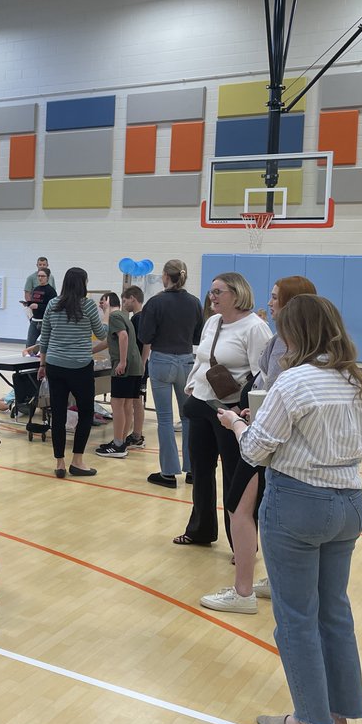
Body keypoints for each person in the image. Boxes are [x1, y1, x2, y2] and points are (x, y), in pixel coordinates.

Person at [218, 294, 362, 724]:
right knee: (335, 611)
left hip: (298, 503)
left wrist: (236, 424)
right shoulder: (358, 380)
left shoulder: (292, 382)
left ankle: (307, 721)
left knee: (295, 617)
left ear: (297, 335)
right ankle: (339, 717)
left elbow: (254, 452)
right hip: (350, 501)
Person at [200, 275, 316, 614]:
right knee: (264, 513)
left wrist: (239, 419)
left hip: (268, 441)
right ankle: (272, 581)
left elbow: (281, 393)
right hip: (268, 431)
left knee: (241, 508)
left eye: (277, 297)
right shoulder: (283, 340)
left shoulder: (286, 346)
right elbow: (266, 384)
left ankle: (243, 591)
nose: (271, 302)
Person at [173, 272, 271, 548]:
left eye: (218, 292)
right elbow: (202, 358)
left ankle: (241, 542)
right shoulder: (213, 322)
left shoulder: (255, 328)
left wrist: (244, 407)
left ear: (237, 294)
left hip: (232, 412)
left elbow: (261, 375)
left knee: (233, 476)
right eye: (211, 292)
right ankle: (200, 529)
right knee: (201, 472)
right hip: (203, 404)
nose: (212, 297)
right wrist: (192, 383)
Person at [138, 259, 204, 488]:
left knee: (165, 418)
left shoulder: (156, 302)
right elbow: (198, 337)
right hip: (186, 361)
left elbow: (145, 336)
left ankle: (168, 472)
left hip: (162, 360)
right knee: (188, 417)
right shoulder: (195, 302)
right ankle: (192, 469)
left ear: (166, 276)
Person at [37, 267, 108, 478]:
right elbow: (101, 333)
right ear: (83, 284)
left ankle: (59, 463)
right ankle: (77, 461)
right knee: (85, 413)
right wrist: (105, 314)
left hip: (55, 365)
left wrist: (42, 364)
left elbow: (45, 337)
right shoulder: (88, 306)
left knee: (58, 413)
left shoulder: (52, 304)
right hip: (80, 366)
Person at [95, 292, 145, 457]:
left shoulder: (115, 316)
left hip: (125, 366)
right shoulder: (124, 316)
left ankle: (117, 446)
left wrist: (122, 362)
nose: (100, 305)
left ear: (108, 302)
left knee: (117, 405)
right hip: (135, 366)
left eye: (102, 302)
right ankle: (121, 442)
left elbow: (123, 337)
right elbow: (110, 341)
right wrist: (88, 350)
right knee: (126, 406)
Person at [124, 285, 148, 449]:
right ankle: (136, 434)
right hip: (139, 365)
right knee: (136, 400)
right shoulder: (139, 317)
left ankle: (136, 435)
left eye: (125, 300)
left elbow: (146, 343)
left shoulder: (138, 318)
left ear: (133, 298)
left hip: (138, 366)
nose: (124, 304)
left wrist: (142, 363)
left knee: (135, 400)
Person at [23, 267, 55, 348]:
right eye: (39, 276)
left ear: (47, 277)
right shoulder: (36, 289)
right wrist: (28, 304)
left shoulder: (51, 291)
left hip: (45, 321)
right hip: (34, 321)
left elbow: (52, 307)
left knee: (44, 345)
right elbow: (35, 301)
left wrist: (38, 306)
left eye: (42, 276)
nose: (40, 278)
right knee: (29, 344)